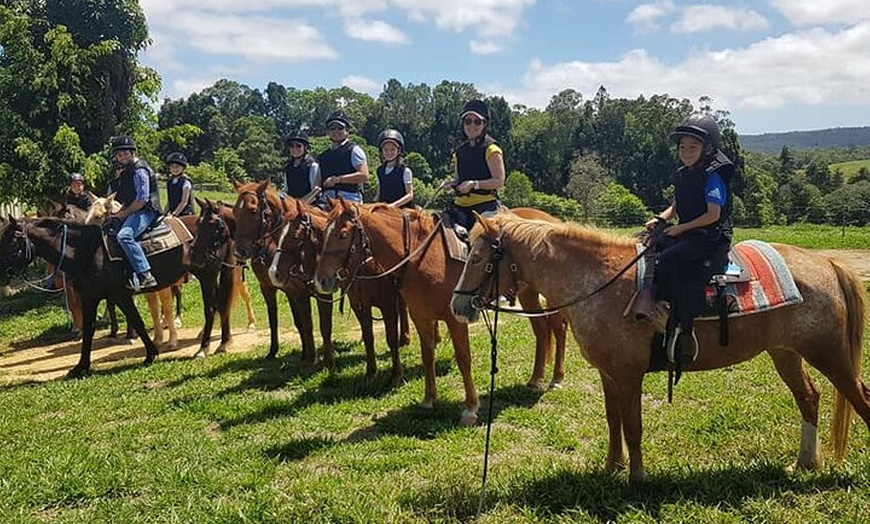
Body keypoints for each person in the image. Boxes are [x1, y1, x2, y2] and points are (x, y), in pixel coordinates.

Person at [643, 113, 735, 364]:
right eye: (682, 147)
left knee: (667, 261)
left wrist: (681, 229)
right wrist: (660, 220)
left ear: (707, 148)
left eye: (693, 147)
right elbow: (676, 205)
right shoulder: (685, 173)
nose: (686, 151)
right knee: (646, 247)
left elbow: (713, 215)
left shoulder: (713, 176)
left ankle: (678, 321)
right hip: (690, 232)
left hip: (710, 236)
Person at [439, 99, 505, 232]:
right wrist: (451, 184)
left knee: (484, 244)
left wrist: (474, 184)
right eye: (468, 121)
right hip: (460, 206)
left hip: (485, 207)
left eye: (477, 121)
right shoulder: (459, 152)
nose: (472, 126)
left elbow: (499, 181)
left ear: (484, 124)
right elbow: (459, 179)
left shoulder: (492, 149)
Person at [109, 135, 162, 291]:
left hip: (147, 211)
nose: (122, 156)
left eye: (125, 153)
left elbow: (142, 200)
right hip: (132, 210)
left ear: (132, 153)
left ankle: (145, 274)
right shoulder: (125, 171)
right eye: (119, 154)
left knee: (124, 236)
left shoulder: (140, 170)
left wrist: (122, 214)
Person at [318, 111, 369, 203]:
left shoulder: (354, 150)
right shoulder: (323, 156)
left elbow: (364, 176)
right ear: (328, 131)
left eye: (340, 128)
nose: (336, 131)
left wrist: (337, 180)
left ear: (347, 130)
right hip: (327, 199)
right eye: (332, 128)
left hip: (349, 198)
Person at [374, 129, 414, 208]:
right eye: (386, 149)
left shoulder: (405, 171)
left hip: (402, 210)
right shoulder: (379, 170)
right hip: (385, 209)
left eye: (393, 149)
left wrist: (393, 205)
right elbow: (379, 193)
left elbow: (410, 195)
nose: (389, 152)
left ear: (398, 151)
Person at [281, 129, 322, 202]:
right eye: (291, 146)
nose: (295, 149)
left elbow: (316, 192)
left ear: (305, 147)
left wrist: (300, 204)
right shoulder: (288, 168)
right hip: (291, 205)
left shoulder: (313, 166)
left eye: (298, 146)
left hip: (309, 205)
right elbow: (286, 190)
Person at [165, 152, 194, 217]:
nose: (174, 169)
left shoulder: (186, 182)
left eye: (177, 167)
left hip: (185, 214)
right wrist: (164, 213)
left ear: (183, 168)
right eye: (172, 167)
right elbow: (169, 201)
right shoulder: (169, 181)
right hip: (174, 214)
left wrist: (174, 214)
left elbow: (184, 202)